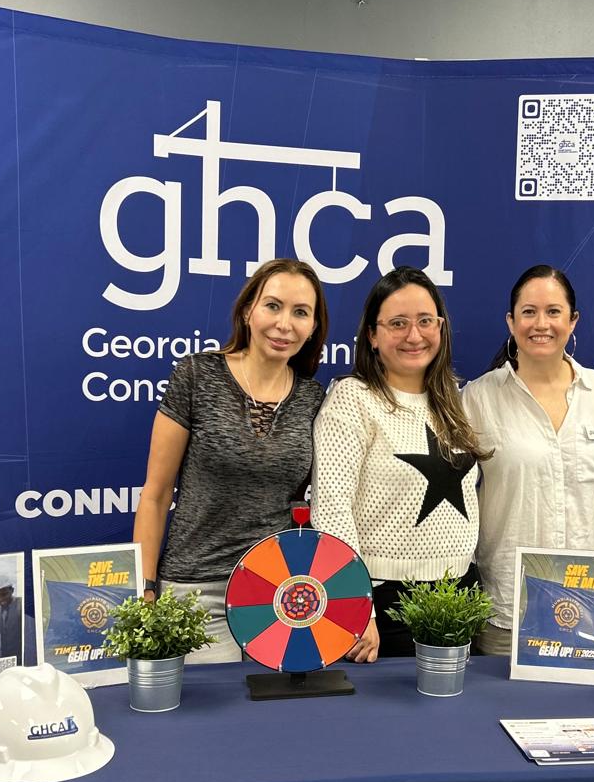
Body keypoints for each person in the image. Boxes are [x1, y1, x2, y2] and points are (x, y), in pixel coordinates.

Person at [134, 258, 328, 662]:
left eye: (300, 312)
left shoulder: (313, 399)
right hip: (195, 592)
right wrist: (145, 589)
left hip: (280, 593)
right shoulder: (197, 375)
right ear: (247, 311)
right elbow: (155, 495)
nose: (284, 324)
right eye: (272, 306)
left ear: (313, 327)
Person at [311, 266, 489, 660]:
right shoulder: (352, 399)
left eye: (425, 321)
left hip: (459, 593)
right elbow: (332, 511)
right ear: (372, 335)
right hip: (384, 600)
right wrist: (355, 605)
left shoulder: (453, 399)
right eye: (397, 323)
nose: (414, 335)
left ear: (440, 328)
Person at [463, 265, 594, 656]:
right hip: (510, 609)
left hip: (591, 610)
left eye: (553, 311)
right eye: (528, 312)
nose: (541, 324)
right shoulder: (478, 397)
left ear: (573, 321)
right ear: (511, 322)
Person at [0, 574, 23, 663]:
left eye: (4, 594)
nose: (1, 599)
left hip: (23, 657)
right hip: (6, 658)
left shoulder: (21, 605)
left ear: (12, 590)